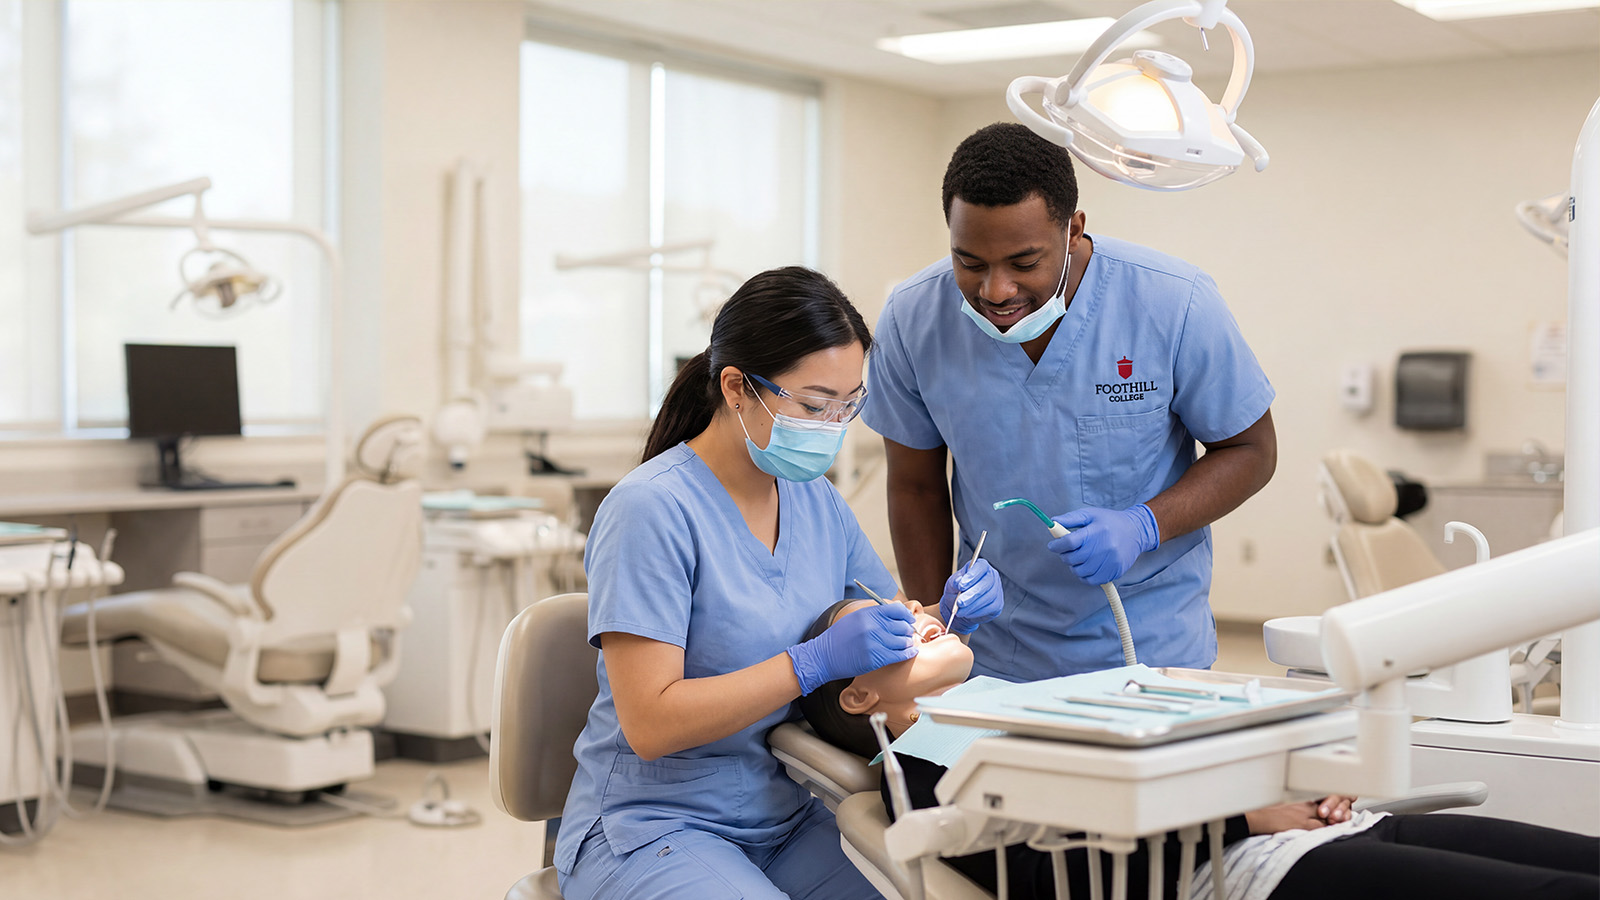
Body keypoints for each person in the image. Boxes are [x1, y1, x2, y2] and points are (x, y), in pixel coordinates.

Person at [554, 266, 1005, 900]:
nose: (833, 425)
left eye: (850, 406)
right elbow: (651, 724)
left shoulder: (815, 500)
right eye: (816, 406)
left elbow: (875, 620)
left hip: (786, 816)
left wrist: (944, 613)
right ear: (737, 388)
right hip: (654, 826)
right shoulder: (650, 510)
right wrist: (811, 663)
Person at [799, 600, 1600, 900]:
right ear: (859, 693)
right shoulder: (927, 763)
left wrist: (1308, 783)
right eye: (882, 626)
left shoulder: (1015, 700)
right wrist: (1249, 819)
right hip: (1250, 872)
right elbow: (1051, 875)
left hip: (1330, 828)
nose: (912, 606)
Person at [863, 122, 1278, 680]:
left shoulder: (1173, 302)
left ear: (1074, 230)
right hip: (993, 647)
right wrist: (940, 621)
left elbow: (1251, 450)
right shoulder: (915, 319)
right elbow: (914, 485)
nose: (996, 290)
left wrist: (1144, 525)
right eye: (970, 262)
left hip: (1149, 643)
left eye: (1024, 262)